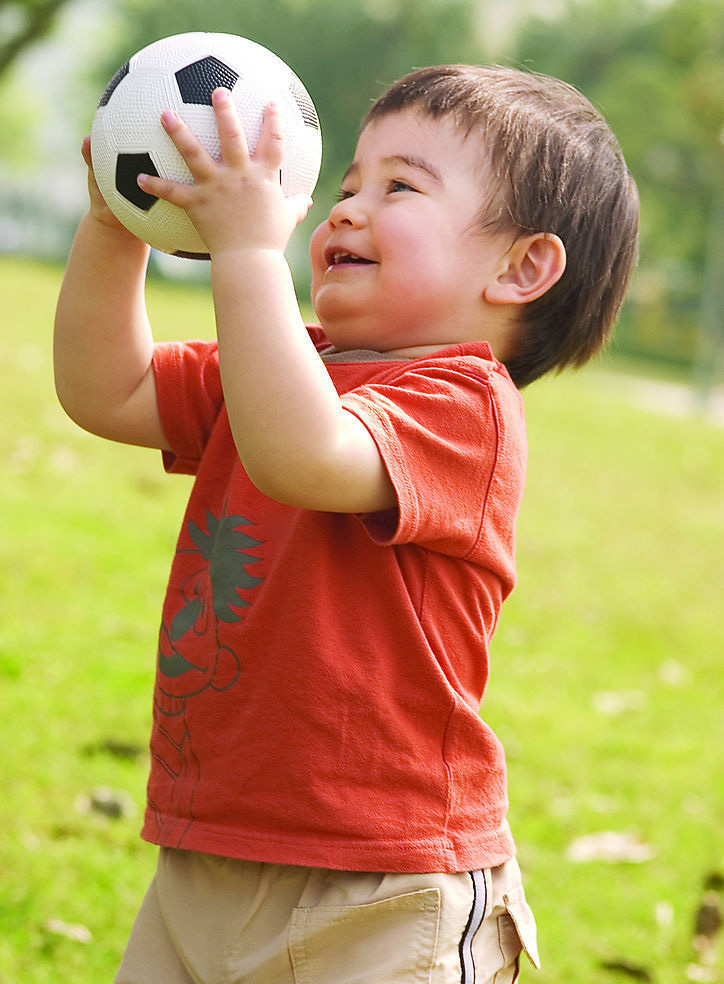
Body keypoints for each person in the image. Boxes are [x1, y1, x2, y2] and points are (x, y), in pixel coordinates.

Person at [54, 64, 639, 984]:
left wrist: (249, 256)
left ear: (521, 266)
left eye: (400, 186)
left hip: (383, 887)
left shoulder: (463, 405)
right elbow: (106, 389)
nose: (344, 210)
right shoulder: (291, 366)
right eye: (348, 183)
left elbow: (305, 456)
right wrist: (113, 223)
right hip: (210, 846)